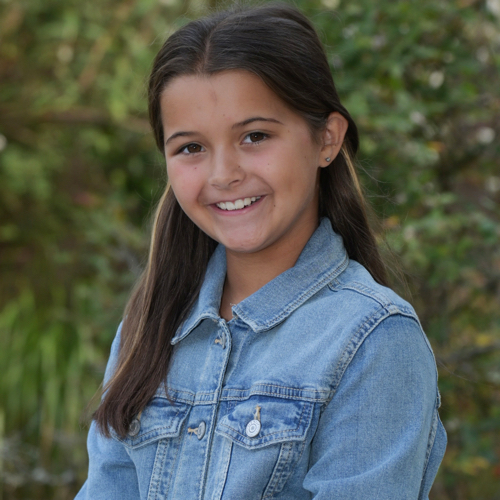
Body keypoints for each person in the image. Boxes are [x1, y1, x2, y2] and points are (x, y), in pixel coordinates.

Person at [76, 3, 446, 499]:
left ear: (326, 139)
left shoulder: (374, 340)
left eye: (255, 136)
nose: (223, 174)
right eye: (191, 147)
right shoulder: (149, 325)